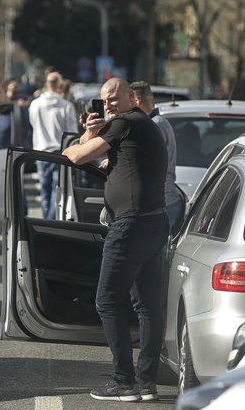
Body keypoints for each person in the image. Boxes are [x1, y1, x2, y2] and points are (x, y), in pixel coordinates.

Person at [62, 77, 168, 402]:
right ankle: (146, 382)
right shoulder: (143, 126)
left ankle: (123, 382)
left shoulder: (124, 123)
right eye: (103, 100)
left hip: (131, 227)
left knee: (107, 301)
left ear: (131, 96)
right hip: (153, 223)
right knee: (147, 305)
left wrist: (82, 138)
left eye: (113, 98)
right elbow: (128, 164)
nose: (107, 105)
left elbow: (77, 156)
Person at [130, 81, 182, 230]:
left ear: (137, 102)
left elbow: (142, 162)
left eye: (129, 102)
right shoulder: (158, 122)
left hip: (161, 204)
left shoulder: (154, 125)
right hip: (164, 202)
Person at [28, 71, 78, 219]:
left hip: (40, 152)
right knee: (58, 192)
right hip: (60, 153)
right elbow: (72, 133)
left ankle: (44, 223)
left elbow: (32, 124)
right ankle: (50, 223)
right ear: (59, 85)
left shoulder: (35, 104)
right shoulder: (66, 106)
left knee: (44, 192)